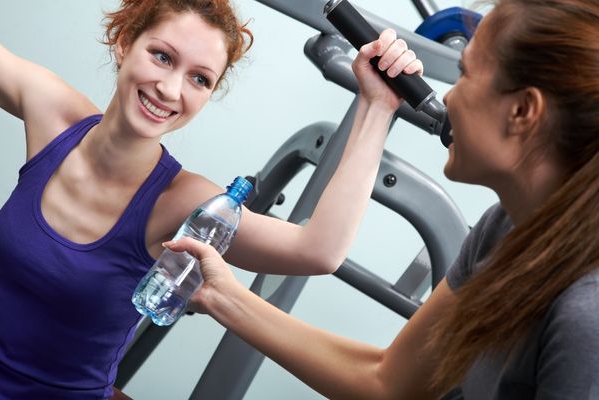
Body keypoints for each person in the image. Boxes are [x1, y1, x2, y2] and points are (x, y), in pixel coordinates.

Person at [166, 0, 599, 398]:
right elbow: (390, 383)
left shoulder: (586, 322)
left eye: (466, 74)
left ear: (523, 112)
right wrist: (219, 294)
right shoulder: (503, 227)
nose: (448, 96)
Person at [0, 0, 423, 398]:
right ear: (125, 43)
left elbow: (319, 250)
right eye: (162, 57)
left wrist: (378, 105)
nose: (169, 89)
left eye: (199, 79)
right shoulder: (53, 113)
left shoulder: (185, 202)